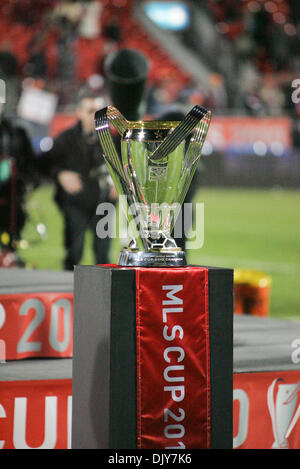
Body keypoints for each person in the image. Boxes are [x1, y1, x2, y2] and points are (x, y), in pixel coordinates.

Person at [48, 88, 116, 270]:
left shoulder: (114, 140)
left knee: (103, 255)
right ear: (78, 112)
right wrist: (60, 174)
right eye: (90, 111)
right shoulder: (64, 139)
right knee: (74, 252)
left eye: (100, 112)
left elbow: (126, 167)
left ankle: (104, 294)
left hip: (104, 203)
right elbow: (46, 165)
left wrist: (120, 183)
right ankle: (69, 293)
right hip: (75, 202)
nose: (95, 116)